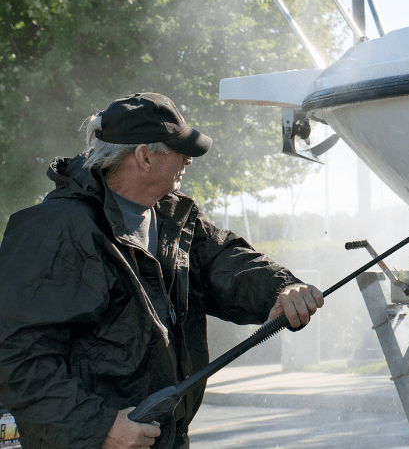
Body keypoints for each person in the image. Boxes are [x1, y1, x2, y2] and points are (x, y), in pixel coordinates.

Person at [0, 93, 324, 449]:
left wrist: (281, 288)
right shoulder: (54, 230)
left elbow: (225, 260)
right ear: (144, 156)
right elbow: (17, 358)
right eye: (179, 150)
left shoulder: (175, 217)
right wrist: (100, 427)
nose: (188, 160)